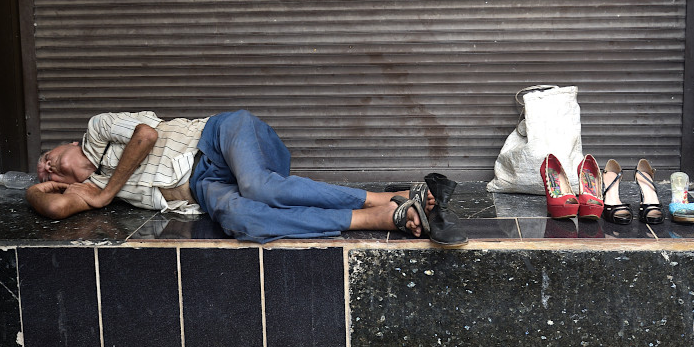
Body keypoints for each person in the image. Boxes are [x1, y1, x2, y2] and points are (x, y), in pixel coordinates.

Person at [26, 109, 437, 243]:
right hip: (207, 187)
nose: (48, 166)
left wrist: (104, 194)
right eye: (44, 172)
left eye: (47, 156)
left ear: (64, 145)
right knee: (243, 219)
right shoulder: (90, 188)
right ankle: (378, 215)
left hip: (220, 137)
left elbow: (146, 135)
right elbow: (56, 206)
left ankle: (376, 198)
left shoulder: (97, 130)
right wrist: (34, 191)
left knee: (259, 186)